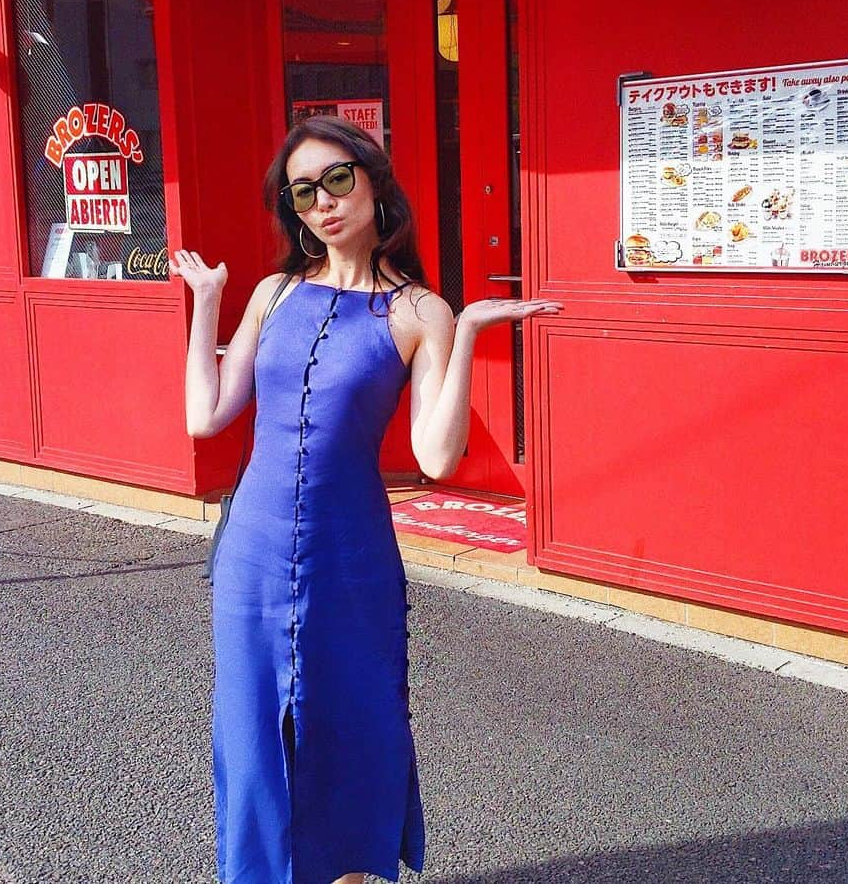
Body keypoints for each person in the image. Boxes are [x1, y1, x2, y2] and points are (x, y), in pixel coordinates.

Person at [171, 115, 562, 884]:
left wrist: (472, 334)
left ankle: (349, 873)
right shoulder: (272, 291)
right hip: (251, 548)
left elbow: (436, 457)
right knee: (251, 730)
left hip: (349, 557)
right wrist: (208, 302)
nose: (323, 202)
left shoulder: (422, 312)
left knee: (350, 722)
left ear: (375, 184)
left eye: (337, 179)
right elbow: (206, 414)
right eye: (303, 191)